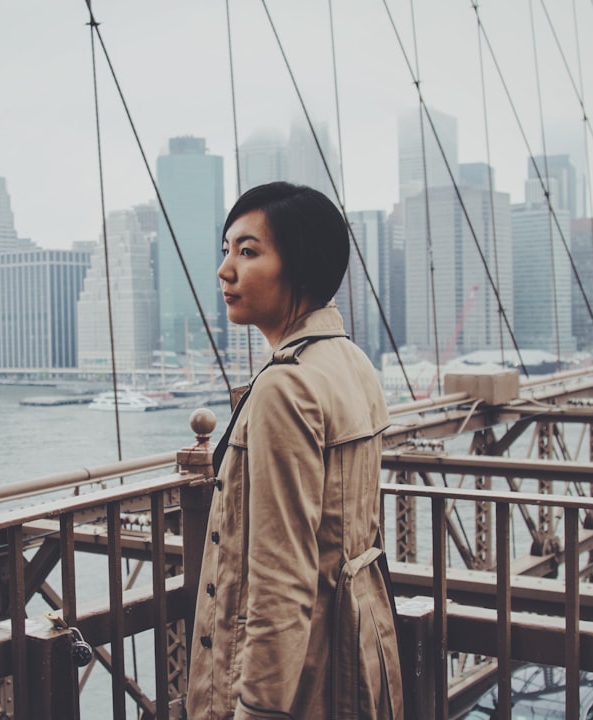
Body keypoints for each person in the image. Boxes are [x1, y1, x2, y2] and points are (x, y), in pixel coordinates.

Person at [186, 182, 403, 719]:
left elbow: (281, 577)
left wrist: (258, 710)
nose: (225, 270)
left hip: (296, 688)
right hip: (355, 656)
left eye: (249, 251)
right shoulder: (353, 364)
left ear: (300, 266)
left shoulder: (285, 387)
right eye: (226, 250)